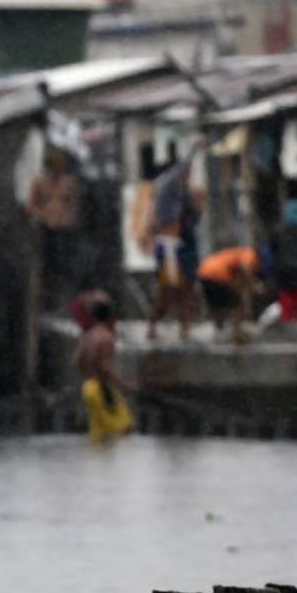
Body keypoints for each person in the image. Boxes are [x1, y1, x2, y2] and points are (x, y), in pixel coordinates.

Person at [143, 144, 204, 340]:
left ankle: (184, 327)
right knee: (168, 291)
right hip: (170, 246)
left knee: (185, 288)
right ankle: (154, 326)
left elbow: (191, 218)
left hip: (181, 244)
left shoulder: (180, 193)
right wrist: (195, 146)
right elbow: (184, 166)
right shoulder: (169, 183)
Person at [26, 147, 82, 304]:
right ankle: (48, 297)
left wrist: (68, 218)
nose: (56, 171)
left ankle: (65, 296)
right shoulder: (39, 182)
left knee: (65, 264)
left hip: (65, 231)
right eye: (53, 167)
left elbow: (74, 205)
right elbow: (31, 206)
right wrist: (45, 216)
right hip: (46, 230)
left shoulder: (69, 182)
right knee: (47, 264)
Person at [75, 298, 135, 443]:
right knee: (124, 428)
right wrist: (124, 386)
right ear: (111, 317)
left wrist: (90, 375)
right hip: (103, 389)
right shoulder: (107, 337)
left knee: (99, 434)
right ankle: (112, 465)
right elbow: (105, 367)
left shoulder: (88, 336)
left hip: (88, 388)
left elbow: (77, 362)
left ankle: (97, 465)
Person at [197, 245, 263, 338]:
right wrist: (254, 285)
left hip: (204, 271)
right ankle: (236, 332)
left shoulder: (235, 253)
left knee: (216, 305)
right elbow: (245, 268)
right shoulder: (249, 253)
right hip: (218, 274)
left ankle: (219, 331)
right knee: (236, 304)